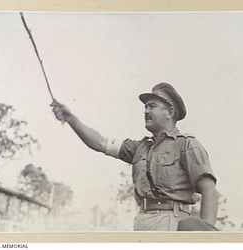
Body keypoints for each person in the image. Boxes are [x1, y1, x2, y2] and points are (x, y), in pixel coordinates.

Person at [51, 82, 218, 231]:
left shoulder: (187, 145)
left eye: (152, 106)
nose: (146, 111)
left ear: (170, 112)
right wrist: (70, 118)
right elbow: (100, 143)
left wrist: (205, 239)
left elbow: (209, 190)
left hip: (172, 223)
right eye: (145, 107)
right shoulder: (140, 147)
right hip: (142, 223)